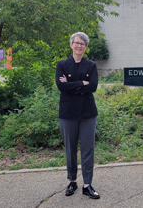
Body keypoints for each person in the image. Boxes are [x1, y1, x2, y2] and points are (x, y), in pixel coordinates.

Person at [55, 32, 100, 199]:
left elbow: (93, 86)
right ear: (71, 45)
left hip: (88, 112)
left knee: (88, 149)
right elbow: (61, 86)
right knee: (70, 149)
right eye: (77, 43)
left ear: (86, 47)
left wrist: (71, 85)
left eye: (83, 43)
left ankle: (87, 185)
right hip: (68, 113)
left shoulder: (91, 65)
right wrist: (82, 83)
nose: (79, 46)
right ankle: (72, 181)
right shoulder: (62, 64)